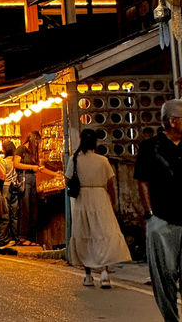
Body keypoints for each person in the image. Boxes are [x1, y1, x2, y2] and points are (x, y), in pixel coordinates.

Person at [135, 98, 182, 320]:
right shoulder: (150, 147)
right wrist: (150, 214)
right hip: (162, 217)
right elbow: (142, 181)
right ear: (173, 121)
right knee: (164, 275)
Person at [66, 128, 130, 287]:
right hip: (101, 200)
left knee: (85, 234)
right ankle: (105, 273)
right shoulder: (103, 161)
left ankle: (88, 275)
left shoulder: (74, 159)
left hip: (83, 200)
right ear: (95, 142)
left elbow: (68, 181)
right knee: (103, 234)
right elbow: (110, 185)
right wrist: (113, 204)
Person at [13, 131, 42, 246]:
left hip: (32, 181)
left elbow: (38, 167)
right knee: (25, 209)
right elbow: (16, 164)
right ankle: (22, 237)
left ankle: (30, 237)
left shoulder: (32, 152)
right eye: (36, 141)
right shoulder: (21, 149)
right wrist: (31, 167)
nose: (37, 144)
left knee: (33, 209)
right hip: (24, 180)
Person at [0, 139, 19, 247]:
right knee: (15, 214)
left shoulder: (4, 162)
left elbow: (2, 175)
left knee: (5, 213)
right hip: (15, 187)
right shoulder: (16, 161)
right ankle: (15, 237)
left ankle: (5, 238)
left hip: (6, 186)